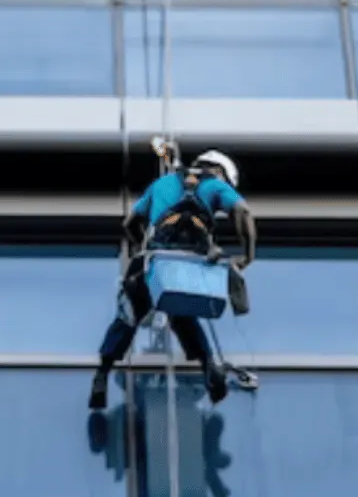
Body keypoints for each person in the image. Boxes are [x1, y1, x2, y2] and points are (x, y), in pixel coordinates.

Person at [89, 148, 257, 411]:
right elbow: (243, 212)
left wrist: (144, 249)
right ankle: (208, 365)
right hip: (190, 262)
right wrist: (247, 255)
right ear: (219, 171)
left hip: (157, 261)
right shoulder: (214, 184)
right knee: (183, 313)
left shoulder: (162, 183)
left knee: (129, 313)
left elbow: (130, 223)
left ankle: (102, 372)